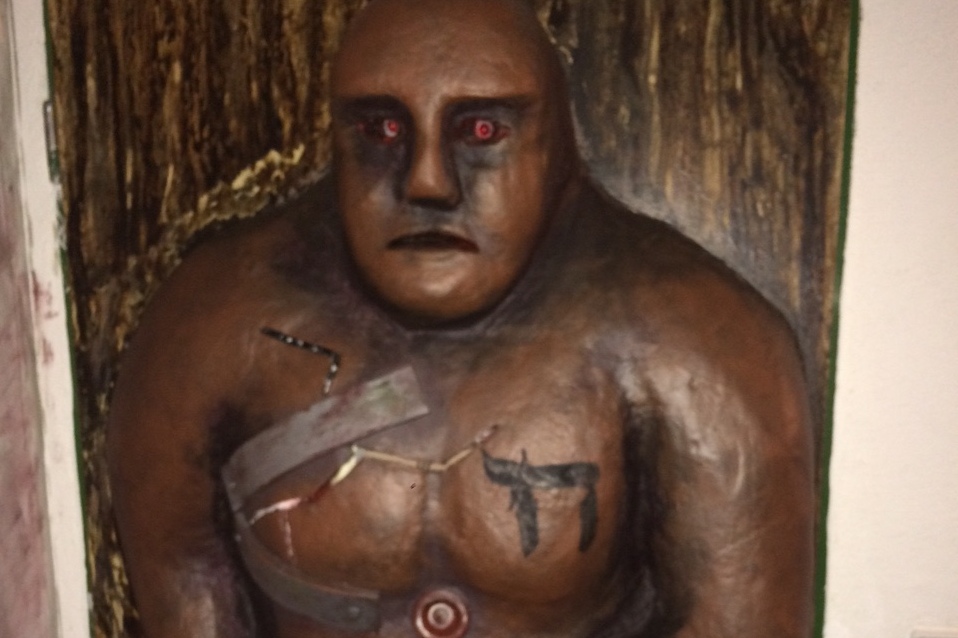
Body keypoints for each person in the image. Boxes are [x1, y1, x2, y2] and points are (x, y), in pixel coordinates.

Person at [107, 0, 815, 636]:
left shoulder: (699, 339)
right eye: (382, 129)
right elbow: (184, 581)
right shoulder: (208, 326)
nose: (427, 181)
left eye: (480, 130)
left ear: (558, 141)